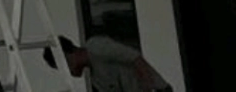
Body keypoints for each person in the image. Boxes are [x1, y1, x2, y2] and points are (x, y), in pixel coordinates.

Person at [44, 34, 173, 92]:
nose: (68, 72)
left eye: (64, 67)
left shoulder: (95, 46)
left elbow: (135, 58)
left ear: (68, 55)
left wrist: (148, 87)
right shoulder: (95, 78)